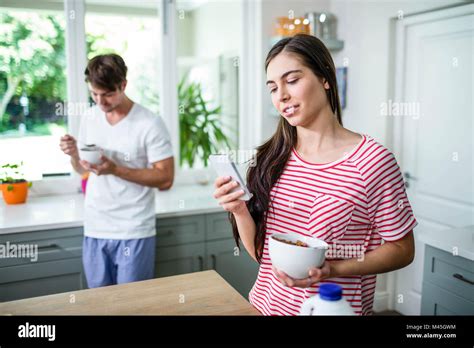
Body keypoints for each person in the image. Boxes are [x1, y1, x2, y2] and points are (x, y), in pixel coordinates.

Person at [212, 34, 417, 315]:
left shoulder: (373, 162)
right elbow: (263, 256)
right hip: (264, 307)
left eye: (292, 80)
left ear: (325, 79)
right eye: (272, 87)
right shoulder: (272, 160)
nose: (281, 95)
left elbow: (403, 250)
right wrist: (238, 210)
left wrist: (333, 268)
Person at [59, 54, 174, 288]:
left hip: (133, 228)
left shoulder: (149, 123)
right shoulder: (90, 117)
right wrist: (74, 154)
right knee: (99, 306)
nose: (100, 102)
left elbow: (165, 178)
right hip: (95, 225)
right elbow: (83, 171)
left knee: (131, 307)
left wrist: (115, 169)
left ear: (123, 85)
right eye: (94, 94)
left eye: (108, 94)